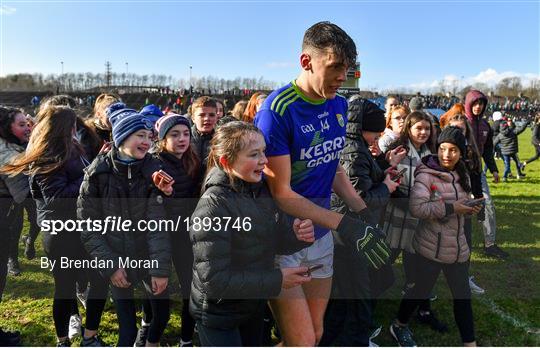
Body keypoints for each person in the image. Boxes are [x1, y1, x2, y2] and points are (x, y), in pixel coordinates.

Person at [254, 21, 389, 346]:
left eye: (348, 68)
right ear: (306, 62)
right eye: (336, 67)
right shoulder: (278, 110)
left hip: (321, 236)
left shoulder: (339, 105)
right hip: (284, 239)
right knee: (300, 340)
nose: (343, 76)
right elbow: (281, 193)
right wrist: (346, 224)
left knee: (314, 334)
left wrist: (362, 212)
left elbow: (334, 170)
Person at [189, 121, 314, 346]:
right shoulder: (213, 207)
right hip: (219, 316)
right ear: (227, 162)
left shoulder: (261, 190)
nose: (265, 161)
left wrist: (295, 235)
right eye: (254, 154)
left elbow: (267, 242)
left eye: (264, 152)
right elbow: (214, 281)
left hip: (251, 307)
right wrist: (277, 280)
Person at [2, 106, 108, 347]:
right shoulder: (48, 154)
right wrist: (92, 171)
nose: (77, 130)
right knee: (65, 289)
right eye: (74, 126)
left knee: (99, 279)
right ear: (64, 127)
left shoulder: (73, 148)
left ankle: (89, 336)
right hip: (61, 233)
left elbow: (81, 175)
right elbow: (57, 197)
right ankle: (63, 341)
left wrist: (97, 162)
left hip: (82, 227)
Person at [78, 107, 171, 346]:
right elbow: (87, 225)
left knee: (161, 315)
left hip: (147, 257)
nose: (147, 140)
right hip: (116, 259)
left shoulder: (153, 173)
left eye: (149, 136)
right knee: (127, 330)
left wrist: (159, 269)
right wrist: (111, 265)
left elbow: (158, 225)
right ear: (121, 138)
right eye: (140, 135)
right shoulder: (96, 174)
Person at [390, 126, 482, 347]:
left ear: (461, 153)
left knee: (462, 297)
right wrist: (452, 209)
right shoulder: (427, 174)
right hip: (431, 248)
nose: (446, 155)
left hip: (457, 247)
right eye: (442, 149)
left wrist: (470, 208)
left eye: (453, 150)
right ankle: (399, 325)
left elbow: (452, 201)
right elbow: (418, 208)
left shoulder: (462, 173)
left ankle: (470, 343)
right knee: (420, 290)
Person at [322, 98, 404, 346]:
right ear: (361, 128)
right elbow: (358, 197)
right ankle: (355, 339)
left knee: (356, 290)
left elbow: (362, 179)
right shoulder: (354, 150)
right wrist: (387, 188)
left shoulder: (353, 146)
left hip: (349, 229)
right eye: (375, 133)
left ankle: (339, 337)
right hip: (350, 232)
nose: (376, 138)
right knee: (359, 293)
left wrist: (385, 168)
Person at [384, 111, 448, 332]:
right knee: (381, 266)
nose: (423, 132)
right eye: (418, 128)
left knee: (420, 272)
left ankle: (424, 311)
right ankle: (363, 310)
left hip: (420, 223)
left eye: (427, 128)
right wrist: (410, 202)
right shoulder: (397, 150)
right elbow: (387, 182)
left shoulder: (433, 154)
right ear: (408, 128)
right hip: (395, 219)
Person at [151, 114, 201, 347]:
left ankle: (186, 338)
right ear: (162, 139)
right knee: (156, 291)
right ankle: (149, 331)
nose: (182, 139)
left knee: (189, 287)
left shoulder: (193, 160)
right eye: (174, 134)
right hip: (160, 236)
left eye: (186, 134)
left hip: (184, 235)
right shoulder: (154, 164)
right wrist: (165, 194)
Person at [464, 90, 508, 259]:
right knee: (462, 206)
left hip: (478, 172)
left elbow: (488, 150)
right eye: (475, 103)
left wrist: (495, 169)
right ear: (469, 104)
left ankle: (490, 244)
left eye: (481, 103)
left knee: (487, 204)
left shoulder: (485, 126)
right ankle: (460, 244)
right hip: (459, 172)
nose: (478, 106)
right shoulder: (461, 123)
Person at [445, 114, 485, 294]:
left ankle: (464, 278)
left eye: (460, 129)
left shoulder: (471, 153)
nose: (456, 132)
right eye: (452, 128)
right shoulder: (441, 152)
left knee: (465, 244)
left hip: (465, 207)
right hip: (444, 206)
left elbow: (476, 181)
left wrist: (479, 205)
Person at [190, 96, 218, 171]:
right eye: (202, 115)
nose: (207, 118)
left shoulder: (222, 140)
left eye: (211, 115)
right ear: (193, 118)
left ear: (216, 117)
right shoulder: (185, 139)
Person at [497, 117, 529, 181]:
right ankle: (518, 174)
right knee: (517, 163)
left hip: (505, 152)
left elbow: (494, 143)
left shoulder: (500, 135)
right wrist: (525, 124)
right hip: (513, 151)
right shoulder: (513, 132)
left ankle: (505, 177)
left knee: (507, 166)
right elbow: (521, 129)